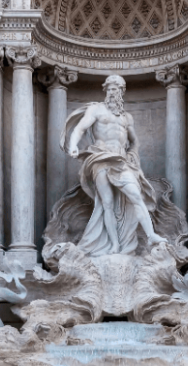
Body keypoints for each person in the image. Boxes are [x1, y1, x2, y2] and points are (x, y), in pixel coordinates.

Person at [63, 75, 167, 257]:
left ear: (122, 92)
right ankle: (114, 245)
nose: (112, 92)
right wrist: (72, 145)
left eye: (116, 89)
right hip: (100, 158)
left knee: (136, 195)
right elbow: (80, 128)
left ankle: (151, 235)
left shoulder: (127, 118)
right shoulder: (96, 109)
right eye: (110, 88)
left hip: (120, 161)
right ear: (105, 90)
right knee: (107, 203)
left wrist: (133, 155)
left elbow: (134, 142)